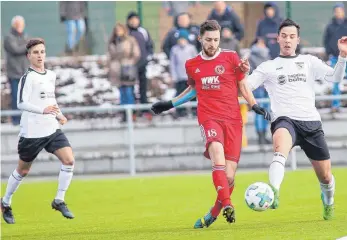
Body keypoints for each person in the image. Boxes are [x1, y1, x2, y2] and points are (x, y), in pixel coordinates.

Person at [151, 20, 269, 228]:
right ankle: (228, 205)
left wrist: (254, 105)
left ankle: (213, 213)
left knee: (229, 177)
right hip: (209, 118)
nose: (212, 43)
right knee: (216, 152)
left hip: (233, 120)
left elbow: (242, 83)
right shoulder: (192, 65)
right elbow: (193, 91)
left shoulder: (231, 58)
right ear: (200, 39)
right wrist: (169, 104)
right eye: (208, 40)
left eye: (216, 39)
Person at [246, 19, 347, 220]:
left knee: (326, 176)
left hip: (311, 123)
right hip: (285, 120)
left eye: (292, 36)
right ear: (278, 39)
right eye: (284, 36)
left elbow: (335, 78)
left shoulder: (309, 62)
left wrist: (343, 55)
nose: (287, 40)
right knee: (279, 150)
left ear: (297, 40)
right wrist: (240, 75)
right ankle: (273, 192)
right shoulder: (268, 67)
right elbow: (245, 86)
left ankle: (328, 201)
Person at [1, 38, 76, 224]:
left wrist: (59, 115)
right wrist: (42, 110)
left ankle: (59, 200)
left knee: (69, 160)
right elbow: (21, 103)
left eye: (42, 51)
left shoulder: (51, 75)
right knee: (23, 170)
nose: (40, 55)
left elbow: (52, 101)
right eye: (35, 52)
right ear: (29, 56)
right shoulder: (27, 78)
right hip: (32, 133)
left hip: (51, 129)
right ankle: (5, 202)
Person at [108, 23, 140, 122]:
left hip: (127, 69)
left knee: (129, 92)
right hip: (117, 71)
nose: (118, 31)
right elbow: (110, 56)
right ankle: (124, 114)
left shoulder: (130, 40)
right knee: (122, 93)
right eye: (116, 30)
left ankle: (131, 114)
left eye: (120, 29)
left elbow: (136, 54)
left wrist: (129, 63)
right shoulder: (112, 42)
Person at [4, 15, 29, 125]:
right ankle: (16, 120)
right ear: (14, 26)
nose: (20, 27)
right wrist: (26, 46)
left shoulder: (25, 36)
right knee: (16, 97)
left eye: (21, 25)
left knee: (25, 97)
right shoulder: (9, 38)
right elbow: (16, 49)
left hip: (24, 72)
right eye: (18, 25)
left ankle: (25, 119)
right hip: (14, 73)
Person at [323, 2, 347, 113]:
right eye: (336, 11)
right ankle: (335, 105)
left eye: (340, 10)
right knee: (336, 82)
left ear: (343, 11)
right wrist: (329, 53)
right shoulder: (330, 26)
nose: (338, 13)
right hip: (335, 58)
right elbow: (326, 41)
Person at [169, 28, 198, 118]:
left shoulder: (191, 49)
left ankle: (194, 110)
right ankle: (181, 111)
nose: (182, 41)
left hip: (190, 77)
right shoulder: (174, 50)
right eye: (180, 39)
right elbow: (173, 64)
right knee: (181, 94)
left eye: (183, 39)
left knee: (192, 94)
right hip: (179, 77)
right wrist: (174, 76)